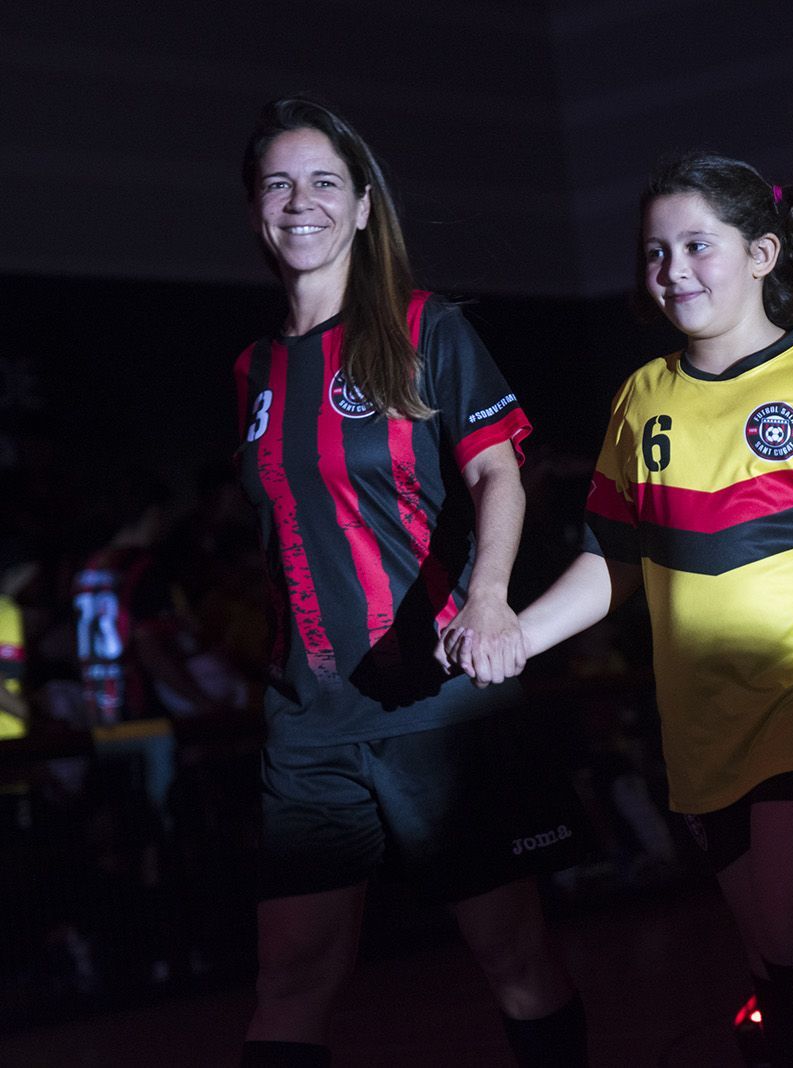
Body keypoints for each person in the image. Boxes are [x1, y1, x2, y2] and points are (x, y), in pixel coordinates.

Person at [445, 152, 793, 1066]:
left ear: (764, 254)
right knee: (779, 956)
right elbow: (616, 562)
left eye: (699, 245)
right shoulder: (642, 398)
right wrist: (516, 631)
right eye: (656, 253)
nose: (674, 271)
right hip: (701, 726)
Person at [234, 97, 587, 1068]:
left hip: (434, 704)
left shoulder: (424, 329)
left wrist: (487, 599)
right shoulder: (253, 370)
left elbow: (498, 472)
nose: (298, 201)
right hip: (308, 721)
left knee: (512, 953)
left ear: (359, 208)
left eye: (322, 183)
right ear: (256, 209)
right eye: (277, 182)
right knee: (291, 976)